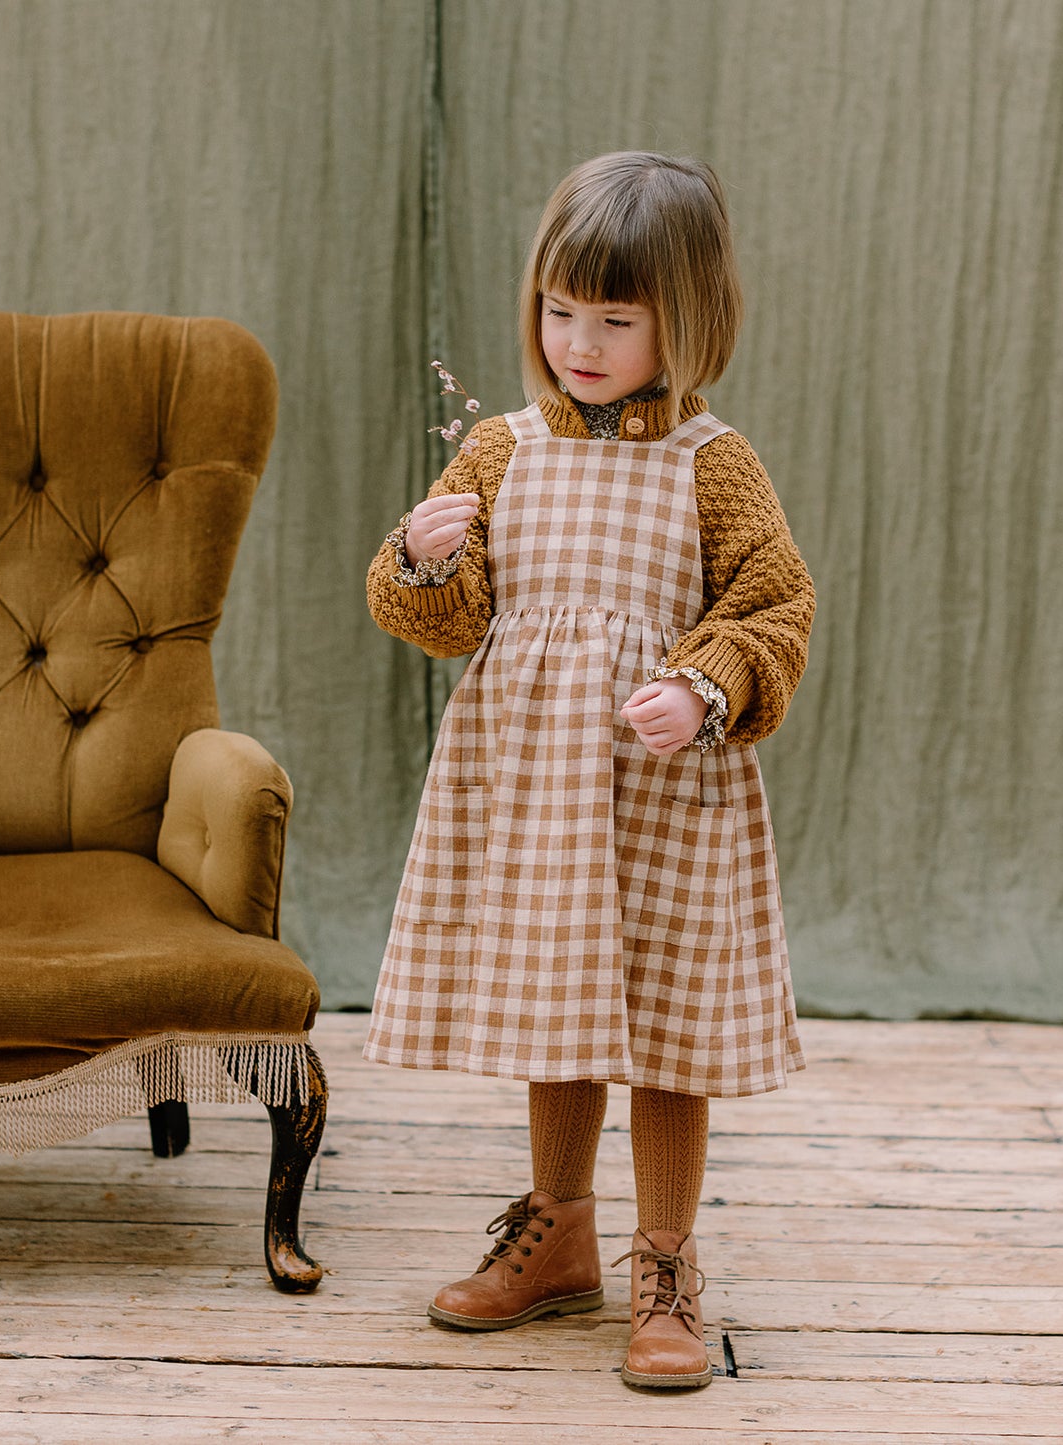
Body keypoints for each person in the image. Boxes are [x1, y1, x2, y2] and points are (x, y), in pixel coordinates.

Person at [363, 151, 815, 1390]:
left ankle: (662, 1259)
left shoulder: (711, 462)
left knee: (666, 1026)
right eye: (559, 311)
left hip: (669, 794)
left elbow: (775, 603)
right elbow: (440, 622)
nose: (578, 341)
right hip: (537, 790)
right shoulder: (502, 451)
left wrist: (704, 683)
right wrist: (421, 556)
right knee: (557, 998)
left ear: (687, 318)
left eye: (614, 319)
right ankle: (557, 1230)